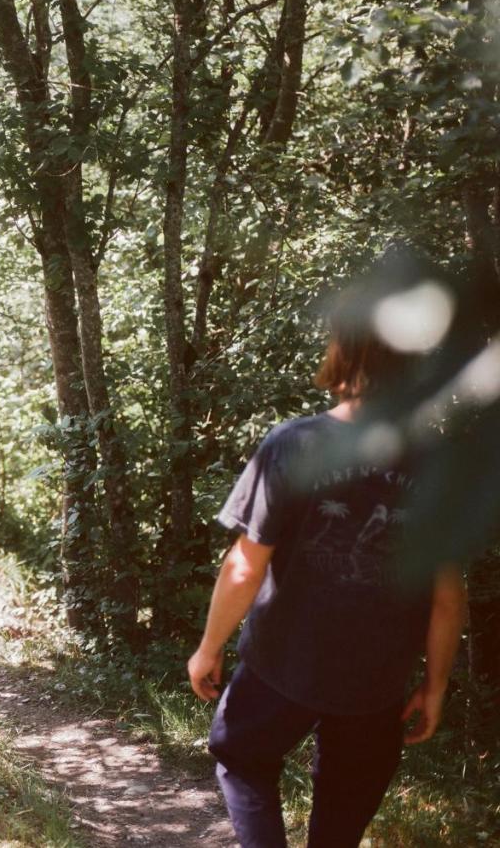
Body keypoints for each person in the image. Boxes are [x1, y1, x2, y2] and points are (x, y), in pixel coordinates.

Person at [187, 303, 469, 847]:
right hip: (377, 683)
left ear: (342, 353)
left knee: (242, 758)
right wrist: (434, 686)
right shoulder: (438, 461)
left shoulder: (295, 444)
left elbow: (245, 564)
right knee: (343, 810)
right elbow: (447, 596)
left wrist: (209, 648)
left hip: (281, 667)